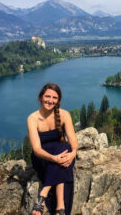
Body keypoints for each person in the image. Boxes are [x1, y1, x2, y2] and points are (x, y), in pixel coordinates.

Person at [27, 83, 78, 215]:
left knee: (63, 148)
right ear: (40, 97)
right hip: (42, 158)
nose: (50, 100)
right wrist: (54, 158)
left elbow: (73, 139)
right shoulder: (32, 119)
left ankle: (44, 194)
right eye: (47, 96)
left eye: (54, 98)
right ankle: (60, 207)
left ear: (58, 100)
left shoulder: (64, 115)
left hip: (60, 153)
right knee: (61, 155)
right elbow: (37, 149)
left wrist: (73, 153)